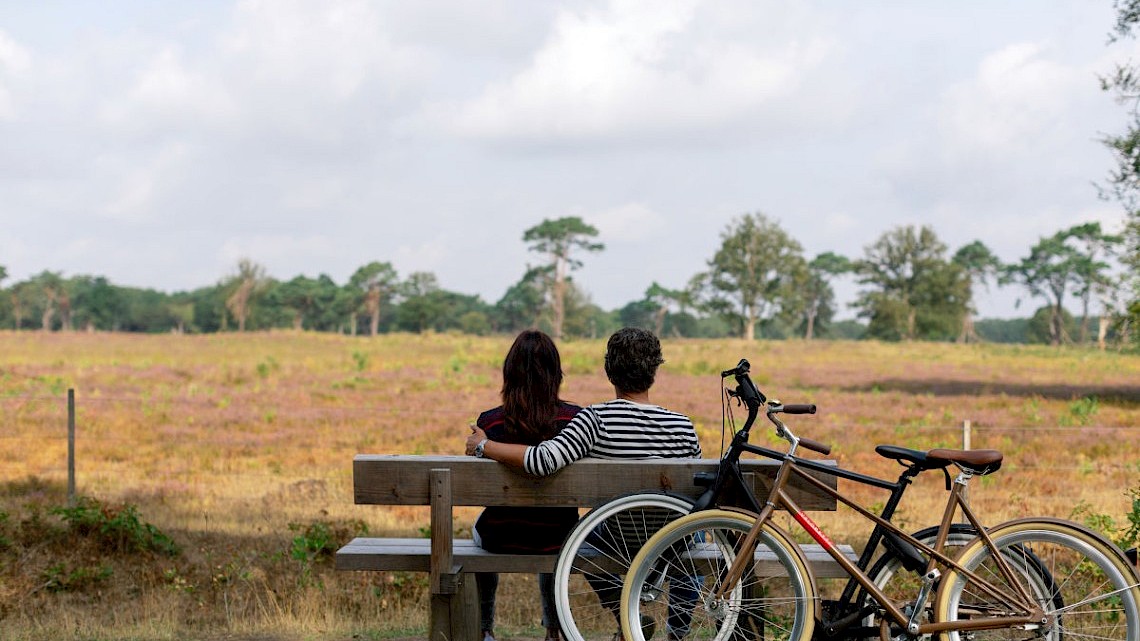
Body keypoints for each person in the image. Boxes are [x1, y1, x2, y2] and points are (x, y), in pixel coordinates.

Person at [467, 327, 701, 641]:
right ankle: (677, 633)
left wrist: (483, 446)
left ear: (609, 372)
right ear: (655, 372)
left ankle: (621, 613)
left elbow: (542, 460)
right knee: (694, 530)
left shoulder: (595, 420)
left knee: (576, 536)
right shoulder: (682, 424)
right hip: (668, 537)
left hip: (617, 533)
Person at [469, 329, 583, 641]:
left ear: (509, 373)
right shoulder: (575, 421)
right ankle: (553, 630)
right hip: (557, 537)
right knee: (554, 530)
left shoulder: (488, 424)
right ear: (555, 374)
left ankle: (485, 629)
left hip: (500, 535)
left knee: (475, 530)